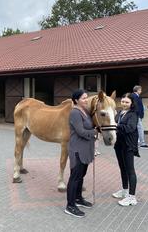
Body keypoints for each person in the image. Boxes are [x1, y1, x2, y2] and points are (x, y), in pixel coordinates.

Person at [65, 89, 98, 218]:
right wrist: (94, 133)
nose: (86, 100)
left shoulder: (85, 112)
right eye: (83, 98)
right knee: (75, 177)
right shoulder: (74, 112)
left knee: (81, 176)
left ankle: (78, 198)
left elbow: (90, 127)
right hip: (77, 149)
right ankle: (70, 205)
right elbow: (81, 131)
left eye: (86, 97)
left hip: (86, 149)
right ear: (76, 100)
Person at [113, 93, 139, 206]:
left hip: (128, 145)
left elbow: (130, 128)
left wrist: (116, 125)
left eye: (127, 102)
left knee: (130, 170)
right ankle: (124, 191)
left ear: (132, 103)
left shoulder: (133, 114)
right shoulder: (120, 112)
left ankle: (132, 197)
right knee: (122, 168)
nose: (124, 104)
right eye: (123, 101)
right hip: (119, 144)